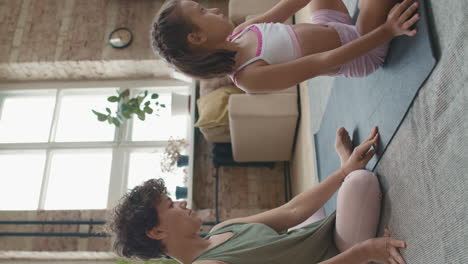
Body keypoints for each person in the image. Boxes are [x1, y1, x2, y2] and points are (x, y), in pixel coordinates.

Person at [110, 127, 408, 264]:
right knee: (360, 183)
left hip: (314, 239)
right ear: (157, 230)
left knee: (325, 200)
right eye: (170, 205)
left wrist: (341, 173)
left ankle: (346, 170)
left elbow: (291, 212)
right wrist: (365, 252)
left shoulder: (220, 230)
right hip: (338, 256)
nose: (182, 203)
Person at [150, 0, 420, 93]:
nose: (214, 8)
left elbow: (290, 6)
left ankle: (367, 20)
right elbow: (324, 61)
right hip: (361, 51)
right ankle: (374, 23)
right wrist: (387, 31)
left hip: (332, 24)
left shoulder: (242, 31)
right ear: (196, 37)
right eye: (202, 11)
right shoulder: (249, 76)